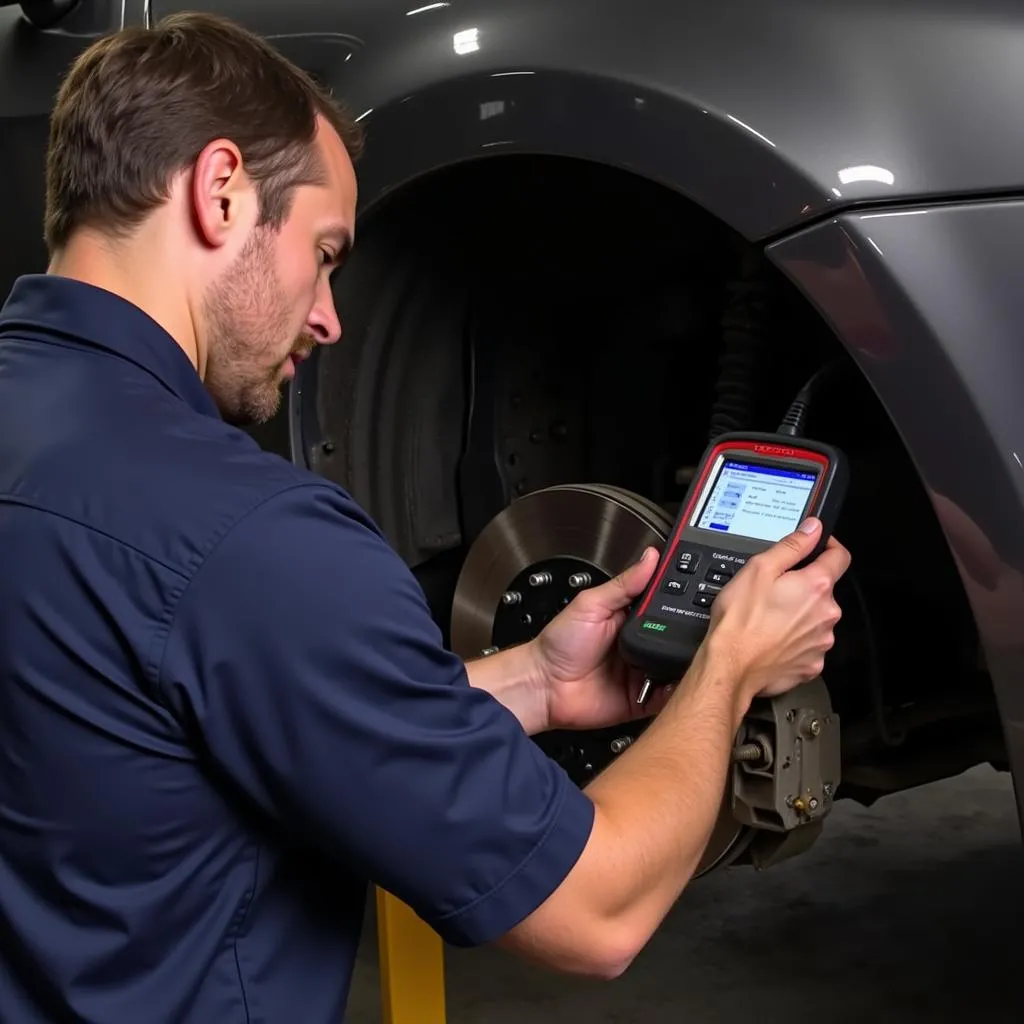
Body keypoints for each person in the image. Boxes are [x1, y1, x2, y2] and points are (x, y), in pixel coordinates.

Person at [0, 11, 851, 1024]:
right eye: (324, 254)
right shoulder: (250, 538)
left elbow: (200, 721)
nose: (329, 317)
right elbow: (596, 910)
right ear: (218, 189)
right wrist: (731, 666)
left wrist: (532, 680)